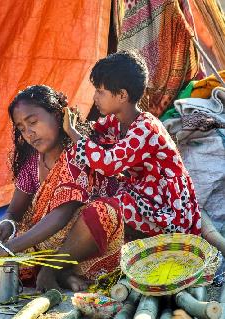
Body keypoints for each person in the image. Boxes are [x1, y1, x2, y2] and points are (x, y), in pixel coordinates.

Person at [0, 85, 124, 292]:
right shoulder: (32, 162)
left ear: (58, 116)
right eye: (21, 128)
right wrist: (6, 226)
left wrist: (7, 248)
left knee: (104, 211)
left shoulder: (78, 153)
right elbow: (14, 211)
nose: (29, 133)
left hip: (83, 244)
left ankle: (51, 270)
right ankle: (62, 273)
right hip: (43, 242)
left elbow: (61, 215)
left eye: (33, 122)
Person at [63, 50, 202, 238]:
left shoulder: (146, 128)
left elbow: (109, 163)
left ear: (122, 95)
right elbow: (94, 133)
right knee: (95, 187)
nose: (95, 97)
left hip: (168, 209)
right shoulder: (116, 120)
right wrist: (72, 124)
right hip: (144, 192)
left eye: (100, 91)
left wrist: (72, 132)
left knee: (106, 206)